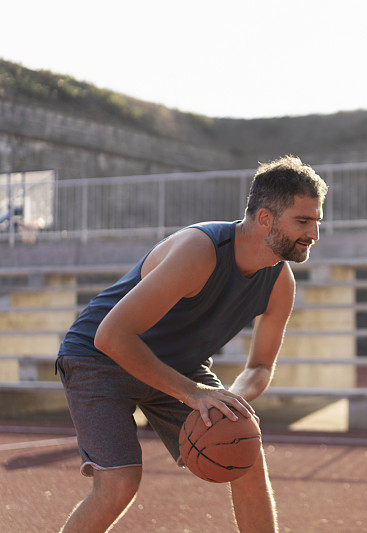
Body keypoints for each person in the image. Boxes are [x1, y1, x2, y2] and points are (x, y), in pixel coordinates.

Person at [55, 155, 327, 533]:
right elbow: (111, 335)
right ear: (265, 218)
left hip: (178, 365)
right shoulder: (200, 251)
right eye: (303, 221)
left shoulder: (281, 283)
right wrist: (194, 394)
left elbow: (260, 367)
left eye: (317, 221)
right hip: (98, 357)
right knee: (119, 483)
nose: (313, 233)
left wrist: (233, 401)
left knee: (244, 449)